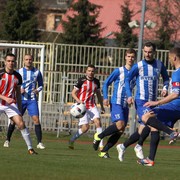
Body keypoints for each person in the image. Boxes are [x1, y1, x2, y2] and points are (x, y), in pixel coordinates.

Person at [116, 42, 169, 165]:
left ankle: (124, 146)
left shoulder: (159, 65)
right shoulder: (138, 65)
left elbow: (166, 78)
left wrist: (165, 88)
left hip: (153, 102)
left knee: (142, 130)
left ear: (154, 52)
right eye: (145, 51)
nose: (147, 54)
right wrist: (129, 95)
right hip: (141, 101)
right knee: (154, 127)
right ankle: (149, 158)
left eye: (150, 52)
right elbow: (128, 79)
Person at [138, 47, 180, 166]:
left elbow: (176, 94)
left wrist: (157, 102)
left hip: (176, 106)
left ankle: (171, 132)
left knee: (146, 116)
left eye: (170, 58)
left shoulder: (177, 73)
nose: (170, 61)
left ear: (175, 58)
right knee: (154, 126)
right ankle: (150, 160)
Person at [93, 48, 136, 158]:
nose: (130, 58)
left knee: (120, 130)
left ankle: (104, 151)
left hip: (126, 105)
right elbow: (106, 83)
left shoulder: (135, 73)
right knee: (120, 124)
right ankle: (99, 136)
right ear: (125, 57)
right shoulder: (118, 71)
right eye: (128, 56)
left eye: (132, 56)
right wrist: (105, 98)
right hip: (116, 102)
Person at [3, 54, 45, 149]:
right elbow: (14, 85)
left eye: (30, 59)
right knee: (14, 121)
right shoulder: (19, 72)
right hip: (20, 99)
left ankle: (39, 143)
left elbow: (41, 85)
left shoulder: (37, 72)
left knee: (36, 120)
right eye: (26, 59)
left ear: (32, 60)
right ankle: (7, 140)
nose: (28, 61)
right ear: (23, 61)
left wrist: (37, 90)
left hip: (31, 100)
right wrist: (20, 89)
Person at [68, 64, 105, 150]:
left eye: (92, 71)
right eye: (89, 71)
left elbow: (99, 95)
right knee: (85, 128)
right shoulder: (81, 80)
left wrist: (102, 106)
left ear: (94, 72)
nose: (90, 73)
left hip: (92, 106)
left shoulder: (96, 82)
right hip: (82, 107)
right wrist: (78, 101)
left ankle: (101, 145)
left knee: (98, 122)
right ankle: (72, 140)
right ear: (86, 71)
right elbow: (73, 93)